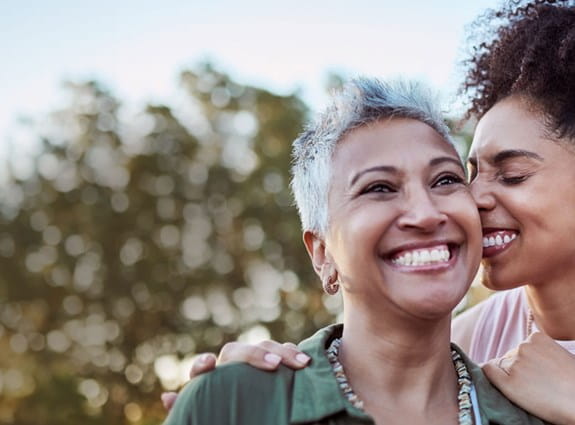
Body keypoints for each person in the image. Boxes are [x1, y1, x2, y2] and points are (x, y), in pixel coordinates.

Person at [163, 1, 575, 424]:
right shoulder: (485, 344)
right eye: (379, 188)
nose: (435, 211)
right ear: (320, 252)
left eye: (511, 174)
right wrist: (232, 398)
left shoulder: (526, 404)